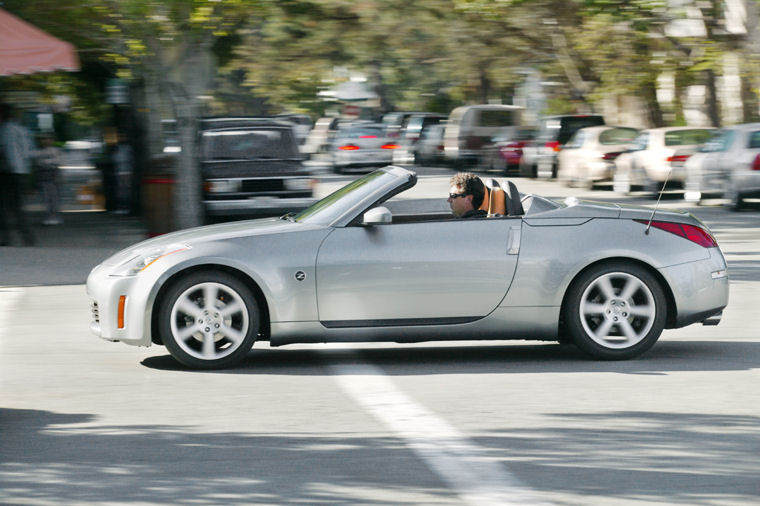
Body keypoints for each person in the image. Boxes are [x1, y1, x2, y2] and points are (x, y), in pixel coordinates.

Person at [0, 103, 36, 246]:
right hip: (19, 171)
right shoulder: (22, 130)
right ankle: (27, 237)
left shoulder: (3, 130)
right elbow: (29, 152)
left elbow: (5, 152)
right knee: (18, 206)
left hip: (6, 172)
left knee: (4, 207)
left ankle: (6, 237)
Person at [35, 133, 64, 225]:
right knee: (46, 197)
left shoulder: (56, 150)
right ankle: (48, 216)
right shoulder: (38, 151)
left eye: (47, 139)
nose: (45, 141)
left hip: (53, 176)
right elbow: (37, 162)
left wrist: (45, 162)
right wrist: (49, 162)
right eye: (43, 139)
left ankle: (55, 216)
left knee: (54, 197)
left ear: (52, 140)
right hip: (43, 176)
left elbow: (58, 161)